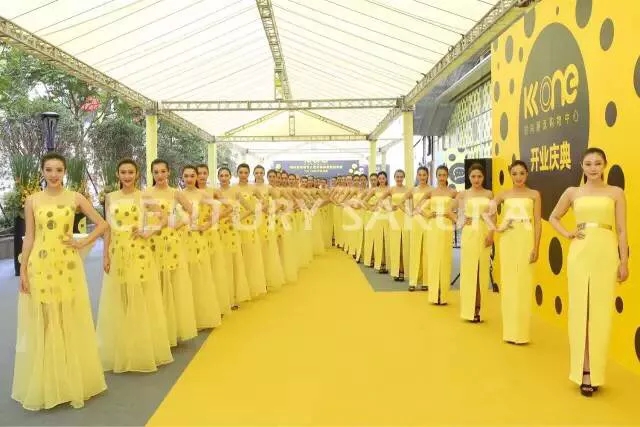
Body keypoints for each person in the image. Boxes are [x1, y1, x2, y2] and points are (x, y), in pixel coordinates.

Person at [13, 153, 108, 410]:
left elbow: (102, 224)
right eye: (49, 169)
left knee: (68, 317)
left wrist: (82, 242)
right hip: (40, 265)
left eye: (58, 169)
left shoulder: (75, 198)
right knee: (45, 319)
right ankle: (48, 378)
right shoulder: (32, 200)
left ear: (65, 171)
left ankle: (69, 377)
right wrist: (24, 270)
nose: (54, 174)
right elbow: (29, 237)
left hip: (67, 265)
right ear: (42, 171)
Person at [549, 147, 628, 397]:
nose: (593, 168)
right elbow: (553, 217)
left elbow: (622, 230)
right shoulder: (573, 192)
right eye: (588, 164)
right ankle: (582, 369)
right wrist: (568, 233)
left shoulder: (616, 193)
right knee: (580, 310)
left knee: (601, 312)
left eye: (598, 163)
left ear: (605, 165)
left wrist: (624, 261)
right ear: (582, 167)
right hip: (580, 253)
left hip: (606, 253)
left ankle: (597, 371)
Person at [98, 158, 173, 373]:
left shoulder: (144, 196)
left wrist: (148, 231)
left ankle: (141, 347)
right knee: (122, 298)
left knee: (140, 296)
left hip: (140, 251)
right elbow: (108, 228)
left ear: (137, 174)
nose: (127, 176)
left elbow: (165, 217)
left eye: (131, 172)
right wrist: (105, 255)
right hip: (118, 252)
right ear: (117, 175)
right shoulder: (110, 197)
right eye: (123, 172)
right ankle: (123, 347)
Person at [485, 161, 541, 343]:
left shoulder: (534, 194)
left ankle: (522, 333)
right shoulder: (503, 194)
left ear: (527, 174)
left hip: (526, 239)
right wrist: (496, 229)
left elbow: (538, 222)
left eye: (522, 173)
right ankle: (509, 332)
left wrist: (536, 247)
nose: (518, 177)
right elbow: (486, 213)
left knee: (524, 282)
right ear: (510, 175)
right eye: (515, 173)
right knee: (508, 282)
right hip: (508, 239)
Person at [455, 163, 494, 323]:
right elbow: (452, 211)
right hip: (469, 233)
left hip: (484, 231)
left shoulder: (489, 194)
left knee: (482, 270)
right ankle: (469, 309)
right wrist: (461, 221)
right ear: (469, 177)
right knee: (469, 270)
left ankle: (479, 307)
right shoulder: (463, 194)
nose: (476, 179)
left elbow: (493, 215)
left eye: (479, 176)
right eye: (473, 176)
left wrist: (491, 234)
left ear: (483, 177)